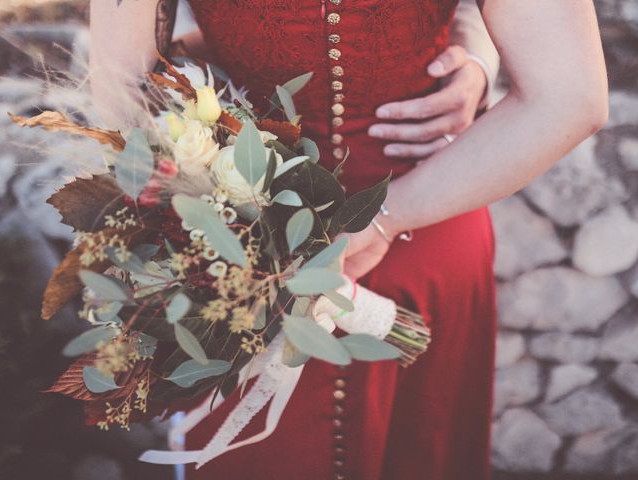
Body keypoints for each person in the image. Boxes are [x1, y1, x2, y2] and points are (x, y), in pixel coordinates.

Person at [89, 1, 608, 479]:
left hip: (272, 247)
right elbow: (568, 95)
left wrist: (474, 57)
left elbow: (123, 101)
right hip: (262, 247)